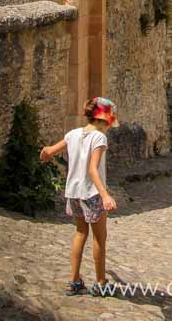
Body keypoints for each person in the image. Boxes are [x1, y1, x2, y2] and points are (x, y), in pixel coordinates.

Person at [40, 97, 118, 296]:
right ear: (104, 119)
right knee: (100, 238)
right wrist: (105, 195)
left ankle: (74, 281)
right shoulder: (99, 138)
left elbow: (50, 151)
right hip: (91, 194)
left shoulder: (73, 134)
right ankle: (101, 283)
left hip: (73, 194)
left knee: (80, 233)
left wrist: (46, 152)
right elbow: (93, 169)